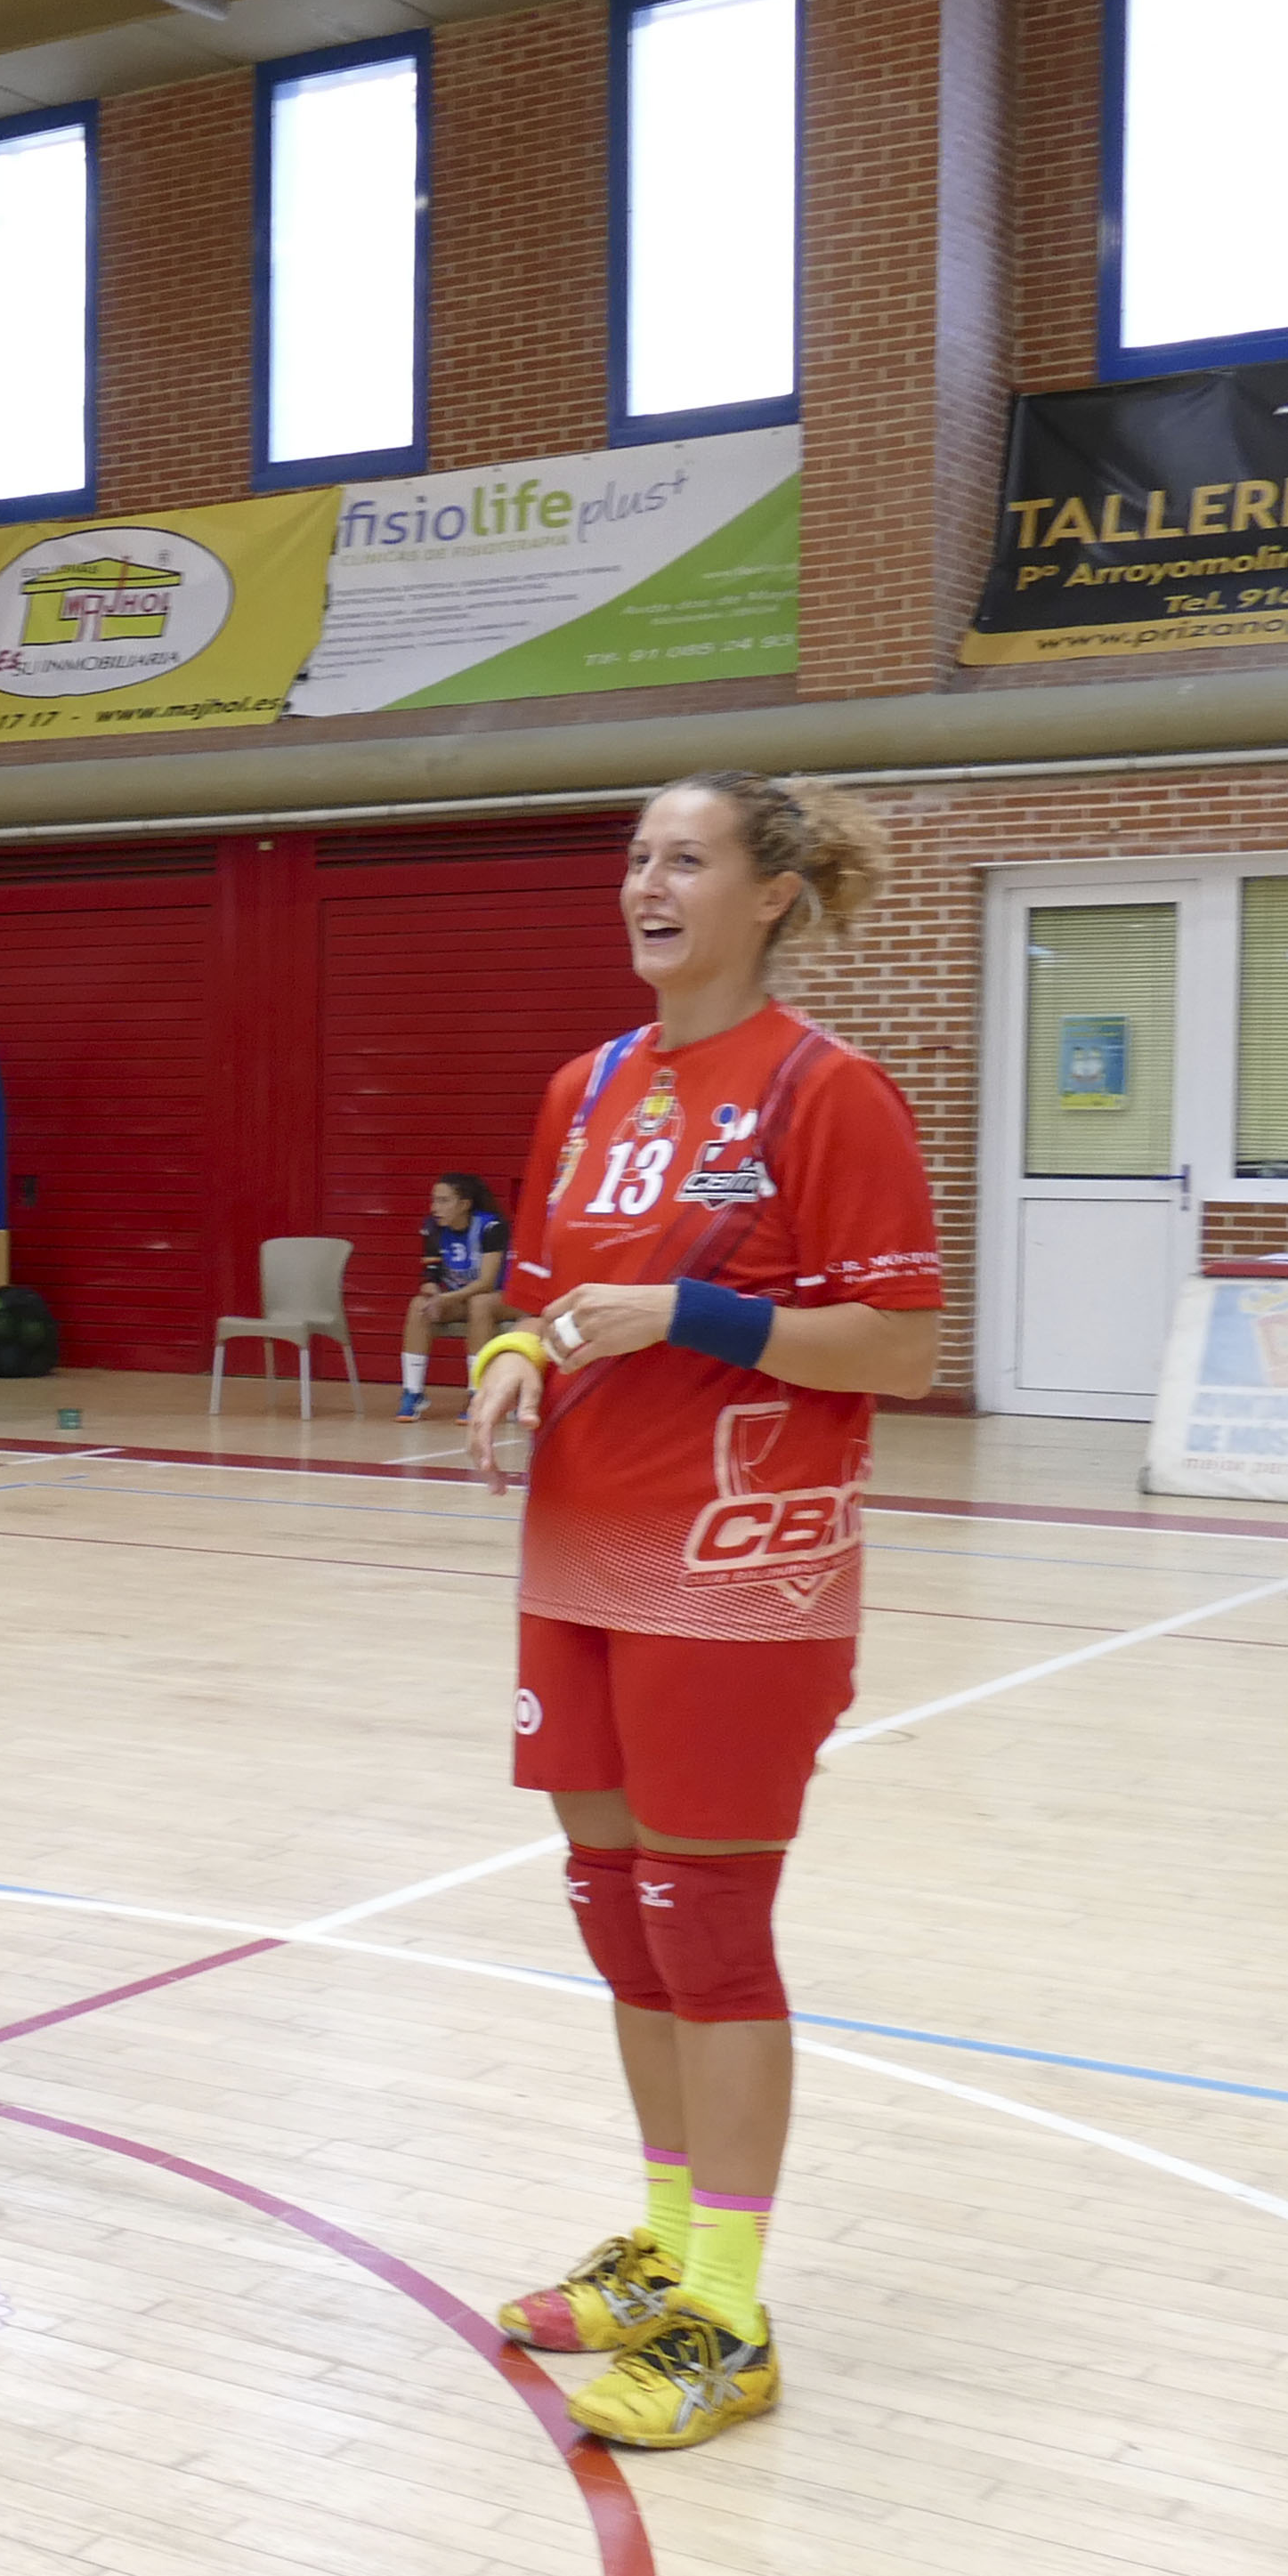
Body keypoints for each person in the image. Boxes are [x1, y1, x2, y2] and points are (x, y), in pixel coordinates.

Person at [464, 771, 937, 2453]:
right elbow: (531, 1291)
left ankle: (727, 2311)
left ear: (772, 895)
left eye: (685, 859)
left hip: (739, 1575)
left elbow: (899, 1347)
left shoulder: (829, 1092)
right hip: (577, 1550)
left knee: (708, 1925)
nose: (645, 885)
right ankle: (666, 2242)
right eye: (634, 859)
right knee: (613, 1903)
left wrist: (690, 1313)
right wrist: (511, 1359)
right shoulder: (581, 1085)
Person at [397, 1169, 509, 1418]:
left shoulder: (492, 1227)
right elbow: (430, 1277)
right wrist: (433, 1293)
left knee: (480, 1303)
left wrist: (444, 1298)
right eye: (434, 1200)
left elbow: (487, 1283)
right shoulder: (433, 1229)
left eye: (444, 1200)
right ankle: (413, 1393)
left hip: (507, 1297)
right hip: (463, 1299)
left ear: (465, 1204)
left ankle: (477, 1394)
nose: (435, 1207)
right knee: (419, 1305)